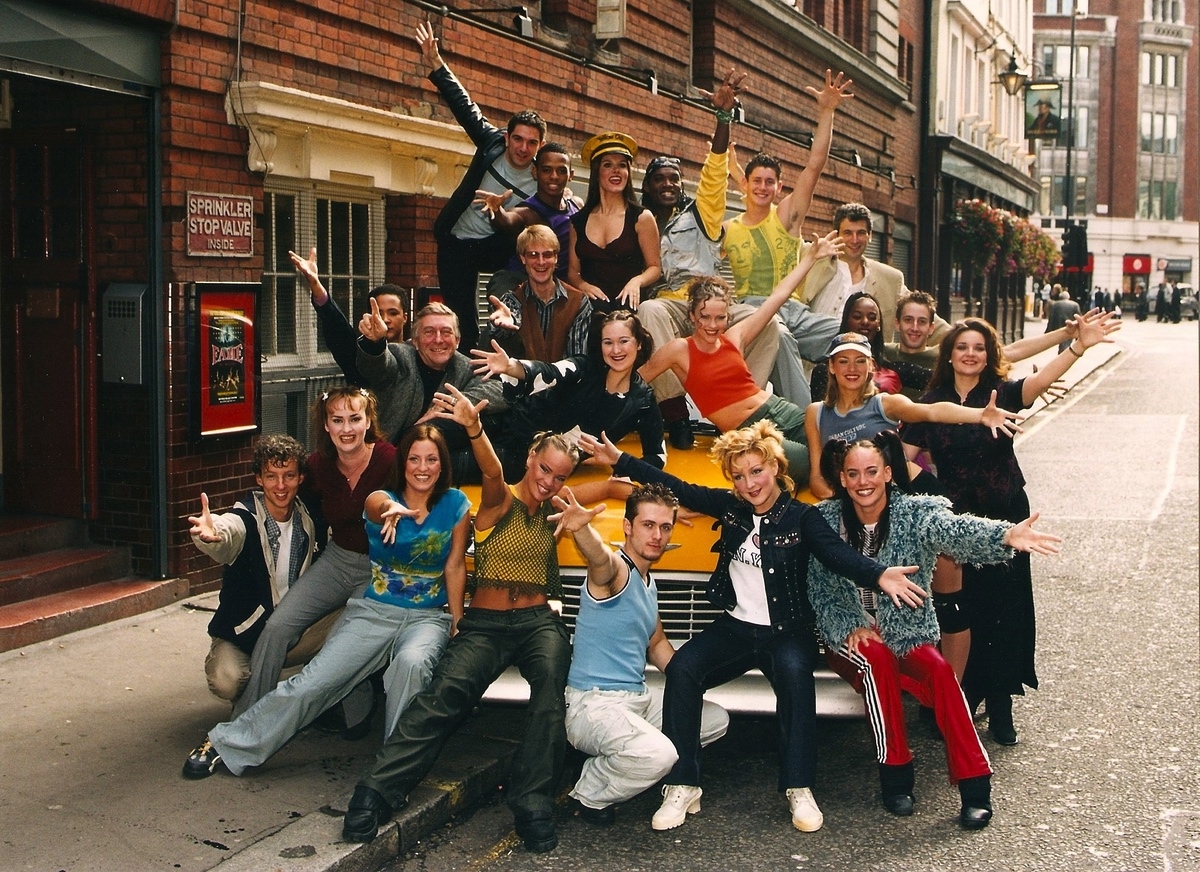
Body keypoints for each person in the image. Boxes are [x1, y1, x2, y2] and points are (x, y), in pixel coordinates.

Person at [580, 423, 925, 834]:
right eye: (739, 476)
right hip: (737, 628)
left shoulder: (803, 517)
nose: (749, 484)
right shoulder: (732, 508)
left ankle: (799, 787)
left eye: (757, 471)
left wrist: (879, 574)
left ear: (775, 467)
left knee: (796, 678)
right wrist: (621, 460)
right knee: (684, 668)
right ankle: (683, 784)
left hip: (787, 630)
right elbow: (677, 487)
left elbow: (836, 554)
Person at [341, 392, 577, 854]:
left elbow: (612, 490)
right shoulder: (499, 499)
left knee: (551, 687)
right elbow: (491, 471)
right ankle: (376, 791)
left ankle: (533, 804)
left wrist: (651, 487)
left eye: (560, 476)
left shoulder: (556, 504)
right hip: (486, 623)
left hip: (537, 622)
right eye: (544, 469)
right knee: (443, 694)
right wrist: (474, 429)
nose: (549, 481)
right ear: (531, 458)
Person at [182, 424, 473, 779]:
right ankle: (229, 742)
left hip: (427, 618)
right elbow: (376, 506)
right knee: (314, 682)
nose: (422, 467)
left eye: (431, 459)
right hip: (376, 611)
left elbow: (455, 566)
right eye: (414, 459)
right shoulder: (381, 498)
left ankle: (395, 771)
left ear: (443, 464)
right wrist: (391, 509)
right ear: (403, 463)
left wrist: (456, 622)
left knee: (411, 666)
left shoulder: (456, 504)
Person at [808, 432, 1062, 828]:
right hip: (852, 636)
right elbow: (820, 589)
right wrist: (849, 625)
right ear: (842, 479)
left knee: (941, 672)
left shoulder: (915, 513)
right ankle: (896, 775)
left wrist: (1005, 535)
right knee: (876, 660)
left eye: (872, 471)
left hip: (904, 630)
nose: (863, 482)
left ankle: (975, 786)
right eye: (853, 474)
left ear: (888, 473)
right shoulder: (823, 520)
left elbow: (954, 530)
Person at [902, 314, 1115, 745]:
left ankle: (1001, 703)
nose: (970, 354)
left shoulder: (1002, 393)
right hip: (956, 525)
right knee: (961, 609)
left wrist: (1078, 346)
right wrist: (929, 498)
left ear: (988, 356)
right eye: (962, 347)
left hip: (1006, 514)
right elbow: (901, 460)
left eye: (979, 348)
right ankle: (963, 692)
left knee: (1005, 607)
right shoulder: (932, 402)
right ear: (949, 355)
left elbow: (1038, 383)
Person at [183, 389, 397, 778]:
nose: (346, 428)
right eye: (337, 420)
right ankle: (239, 728)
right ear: (325, 425)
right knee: (279, 626)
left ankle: (356, 708)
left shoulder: (389, 459)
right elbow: (253, 512)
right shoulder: (319, 465)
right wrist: (213, 534)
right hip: (339, 560)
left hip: (379, 568)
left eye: (355, 419)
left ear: (369, 421)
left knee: (345, 643)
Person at [552, 483, 729, 826]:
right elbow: (600, 559)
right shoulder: (616, 571)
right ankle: (589, 791)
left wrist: (691, 681)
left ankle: (621, 758)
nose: (657, 536)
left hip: (637, 699)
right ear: (628, 527)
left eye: (665, 527)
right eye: (648, 525)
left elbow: (658, 644)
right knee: (660, 756)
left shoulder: (649, 583)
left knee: (714, 719)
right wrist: (582, 530)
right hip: (593, 705)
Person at [635, 69, 787, 448]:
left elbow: (715, 174)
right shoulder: (634, 220)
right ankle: (674, 413)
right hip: (671, 308)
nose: (668, 184)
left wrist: (723, 118)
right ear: (647, 186)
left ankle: (738, 408)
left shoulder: (700, 214)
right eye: (660, 179)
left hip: (710, 305)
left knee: (769, 324)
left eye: (674, 178)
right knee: (649, 312)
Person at [639, 232, 843, 480]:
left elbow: (778, 297)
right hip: (749, 432)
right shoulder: (679, 350)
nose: (712, 325)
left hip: (782, 411)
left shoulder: (734, 338)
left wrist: (810, 258)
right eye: (705, 317)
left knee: (841, 450)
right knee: (811, 464)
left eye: (720, 318)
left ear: (728, 317)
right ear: (692, 316)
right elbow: (637, 380)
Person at [722, 71, 854, 406]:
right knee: (779, 336)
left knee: (852, 337)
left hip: (796, 311)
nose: (763, 187)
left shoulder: (786, 216)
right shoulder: (728, 228)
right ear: (745, 184)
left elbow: (814, 165)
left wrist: (827, 112)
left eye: (770, 182)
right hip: (754, 312)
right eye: (756, 181)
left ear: (779, 187)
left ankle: (860, 412)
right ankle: (804, 418)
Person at [416, 19, 546, 351]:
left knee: (506, 303)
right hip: (457, 241)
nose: (523, 148)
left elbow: (559, 196)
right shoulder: (491, 144)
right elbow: (465, 107)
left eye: (531, 142)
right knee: (461, 318)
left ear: (540, 146)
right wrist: (436, 63)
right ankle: (463, 367)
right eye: (518, 139)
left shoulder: (541, 177)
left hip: (495, 247)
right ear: (507, 137)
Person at [188, 435, 324, 707]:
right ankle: (265, 684)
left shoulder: (310, 518)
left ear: (300, 478)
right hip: (245, 636)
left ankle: (301, 688)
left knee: (348, 617)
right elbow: (229, 530)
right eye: (271, 476)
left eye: (289, 475)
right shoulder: (246, 518)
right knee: (226, 679)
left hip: (293, 633)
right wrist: (210, 534)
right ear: (259, 479)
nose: (281, 485)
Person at [804, 331, 1018, 500]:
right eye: (843, 361)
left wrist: (980, 415)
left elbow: (931, 411)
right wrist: (848, 503)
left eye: (860, 360)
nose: (852, 368)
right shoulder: (816, 412)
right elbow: (817, 478)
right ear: (831, 366)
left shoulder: (885, 403)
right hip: (850, 505)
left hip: (903, 497)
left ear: (870, 366)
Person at [473, 308, 665, 471]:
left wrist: (620, 465)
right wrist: (511, 366)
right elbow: (551, 371)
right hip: (508, 427)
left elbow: (657, 456)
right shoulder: (584, 367)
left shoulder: (643, 400)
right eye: (608, 342)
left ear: (639, 343)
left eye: (624, 341)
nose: (616, 350)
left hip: (533, 463)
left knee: (463, 466)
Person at [356, 301, 507, 453]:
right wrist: (374, 343)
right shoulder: (399, 355)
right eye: (429, 332)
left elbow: (499, 391)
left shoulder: (465, 366)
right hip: (384, 454)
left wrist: (447, 404)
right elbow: (376, 367)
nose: (438, 340)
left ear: (457, 341)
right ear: (415, 341)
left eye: (446, 332)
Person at [800, 203, 936, 349]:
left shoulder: (889, 278)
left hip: (864, 360)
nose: (854, 240)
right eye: (847, 233)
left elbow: (919, 309)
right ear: (837, 235)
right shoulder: (813, 259)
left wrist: (952, 338)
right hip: (809, 360)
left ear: (870, 235)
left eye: (861, 233)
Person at [473, 141, 583, 300]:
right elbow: (508, 220)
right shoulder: (528, 211)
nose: (554, 176)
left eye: (561, 171)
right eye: (546, 170)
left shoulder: (577, 206)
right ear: (535, 172)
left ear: (571, 175)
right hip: (520, 281)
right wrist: (497, 210)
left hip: (560, 287)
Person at [567, 131, 661, 312]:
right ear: (596, 172)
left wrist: (637, 281)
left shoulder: (642, 218)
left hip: (628, 309)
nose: (616, 170)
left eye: (622, 165)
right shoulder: (577, 221)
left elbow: (655, 267)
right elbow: (573, 272)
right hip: (591, 310)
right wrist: (583, 286)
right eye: (608, 165)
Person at [289, 245, 408, 387]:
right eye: (379, 313)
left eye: (393, 313)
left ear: (405, 317)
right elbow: (335, 323)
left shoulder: (417, 354)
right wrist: (315, 284)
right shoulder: (357, 353)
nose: (385, 320)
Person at [485, 223, 592, 361]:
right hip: (521, 375)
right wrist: (499, 326)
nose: (541, 262)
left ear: (556, 258)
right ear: (523, 258)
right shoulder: (512, 299)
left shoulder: (579, 301)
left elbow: (577, 360)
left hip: (565, 375)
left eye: (547, 254)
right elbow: (504, 329)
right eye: (533, 255)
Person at [808, 292, 937, 401]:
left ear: (879, 324)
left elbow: (940, 379)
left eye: (872, 317)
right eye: (857, 317)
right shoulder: (824, 371)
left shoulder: (894, 368)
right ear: (846, 320)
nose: (865, 322)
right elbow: (819, 415)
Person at [1044, 285, 1082, 351]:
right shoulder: (1075, 305)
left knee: (1062, 342)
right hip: (1070, 325)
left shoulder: (1055, 304)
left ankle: (1062, 352)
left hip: (1058, 325)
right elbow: (1078, 318)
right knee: (1066, 342)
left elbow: (1051, 317)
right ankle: (1064, 352)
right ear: (1068, 297)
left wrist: (1048, 330)